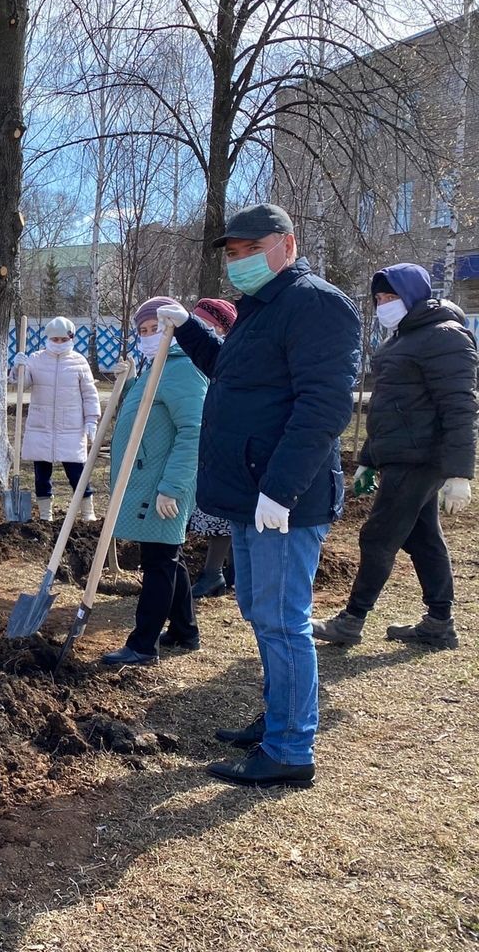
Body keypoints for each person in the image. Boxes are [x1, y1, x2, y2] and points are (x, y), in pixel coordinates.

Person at [156, 203, 360, 789]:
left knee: (281, 620)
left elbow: (324, 405)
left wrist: (280, 488)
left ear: (287, 246)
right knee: (259, 611)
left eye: (252, 249)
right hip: (250, 494)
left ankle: (291, 748)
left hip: (281, 499)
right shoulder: (257, 309)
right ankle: (278, 716)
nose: (240, 260)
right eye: (233, 252)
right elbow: (232, 375)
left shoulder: (315, 304)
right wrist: (189, 328)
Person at [312, 263, 477, 650]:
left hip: (422, 457)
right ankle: (439, 622)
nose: (384, 304)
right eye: (379, 298)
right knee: (422, 538)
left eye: (391, 296)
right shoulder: (403, 339)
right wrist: (369, 458)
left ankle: (351, 621)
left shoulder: (444, 336)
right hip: (403, 455)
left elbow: (460, 407)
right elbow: (388, 408)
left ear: (415, 295)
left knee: (377, 536)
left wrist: (459, 474)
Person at [100, 297, 208, 666]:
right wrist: (127, 381)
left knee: (159, 561)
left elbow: (193, 432)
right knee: (165, 556)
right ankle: (185, 630)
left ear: (174, 329)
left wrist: (172, 487)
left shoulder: (184, 369)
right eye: (143, 331)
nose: (149, 336)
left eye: (156, 329)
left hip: (163, 485)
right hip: (148, 479)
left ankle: (143, 644)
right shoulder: (156, 367)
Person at [11, 316, 101, 522]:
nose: (59, 343)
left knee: (77, 473)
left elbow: (89, 393)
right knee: (42, 475)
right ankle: (45, 516)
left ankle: (88, 513)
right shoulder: (36, 359)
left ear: (71, 338)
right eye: (55, 339)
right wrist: (18, 369)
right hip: (41, 426)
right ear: (48, 338)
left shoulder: (79, 362)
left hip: (71, 426)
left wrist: (91, 420)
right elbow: (22, 386)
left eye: (63, 339)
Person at [184, 298, 239, 599]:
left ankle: (215, 573)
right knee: (220, 512)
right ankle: (231, 571)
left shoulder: (227, 357)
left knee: (224, 512)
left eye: (206, 323)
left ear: (221, 328)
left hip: (225, 444)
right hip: (210, 442)